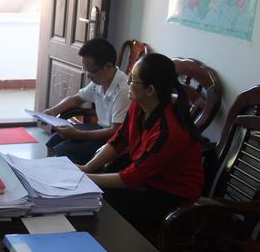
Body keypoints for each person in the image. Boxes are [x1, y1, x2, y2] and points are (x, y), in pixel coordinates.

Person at [79, 53, 204, 226]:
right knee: (97, 193)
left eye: (132, 80)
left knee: (101, 201)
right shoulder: (138, 105)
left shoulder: (168, 131)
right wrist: (87, 168)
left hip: (172, 194)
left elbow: (132, 178)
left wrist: (87, 178)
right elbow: (119, 139)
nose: (128, 83)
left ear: (150, 90)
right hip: (148, 179)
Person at [44, 38, 130, 164]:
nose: (88, 76)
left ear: (108, 66)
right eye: (85, 70)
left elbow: (116, 132)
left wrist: (78, 134)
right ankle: (47, 169)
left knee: (63, 151)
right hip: (100, 128)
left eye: (91, 71)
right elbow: (76, 99)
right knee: (53, 141)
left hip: (113, 140)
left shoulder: (123, 90)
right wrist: (52, 111)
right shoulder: (99, 82)